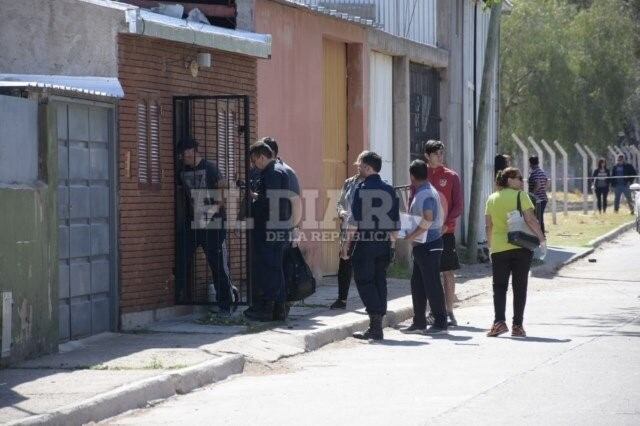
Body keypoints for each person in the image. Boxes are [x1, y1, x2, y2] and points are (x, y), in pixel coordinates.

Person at [341, 151, 400, 341]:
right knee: (379, 280)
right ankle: (376, 325)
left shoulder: (361, 189)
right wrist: (392, 246)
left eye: (360, 166)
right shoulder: (390, 190)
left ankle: (375, 324)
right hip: (383, 243)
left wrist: (345, 246)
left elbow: (354, 222)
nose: (357, 168)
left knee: (364, 281)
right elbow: (395, 224)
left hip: (365, 243)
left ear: (368, 168)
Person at [485, 167, 546, 338]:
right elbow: (531, 220)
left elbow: (488, 226)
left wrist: (490, 247)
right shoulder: (521, 196)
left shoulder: (491, 198)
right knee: (520, 287)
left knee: (499, 287)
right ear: (510, 180)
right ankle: (517, 326)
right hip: (521, 247)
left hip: (499, 248)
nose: (522, 181)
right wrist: (542, 239)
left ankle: (499, 323)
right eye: (519, 178)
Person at [177, 137, 234, 315]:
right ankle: (177, 296)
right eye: (180, 154)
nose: (182, 157)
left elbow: (223, 191)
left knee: (218, 265)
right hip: (194, 224)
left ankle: (226, 304)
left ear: (192, 151)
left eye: (184, 153)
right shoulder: (183, 171)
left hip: (214, 223)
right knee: (182, 257)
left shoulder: (210, 168)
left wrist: (213, 209)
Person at [244, 141, 293, 322]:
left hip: (269, 228)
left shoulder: (271, 173)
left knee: (269, 268)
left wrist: (255, 200)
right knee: (274, 268)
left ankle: (268, 309)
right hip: (277, 227)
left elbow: (271, 202)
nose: (253, 165)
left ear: (262, 157)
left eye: (254, 160)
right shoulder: (280, 171)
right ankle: (277, 310)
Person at [401, 160, 448, 335]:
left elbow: (428, 219)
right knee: (418, 284)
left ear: (412, 176)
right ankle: (419, 322)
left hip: (429, 244)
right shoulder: (425, 191)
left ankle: (440, 322)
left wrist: (410, 236)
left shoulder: (425, 194)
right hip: (424, 245)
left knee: (432, 284)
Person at [424, 140, 463, 327]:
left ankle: (449, 311)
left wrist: (447, 224)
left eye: (442, 153)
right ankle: (430, 310)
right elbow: (412, 199)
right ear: (427, 155)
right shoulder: (420, 175)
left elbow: (458, 206)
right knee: (427, 272)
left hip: (445, 232)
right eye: (436, 153)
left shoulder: (451, 176)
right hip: (425, 232)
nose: (440, 156)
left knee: (447, 271)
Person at [330, 152, 366, 310]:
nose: (360, 167)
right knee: (344, 263)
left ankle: (369, 302)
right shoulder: (349, 182)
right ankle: (342, 299)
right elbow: (340, 203)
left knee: (363, 266)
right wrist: (341, 212)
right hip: (347, 228)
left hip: (365, 231)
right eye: (359, 164)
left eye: (363, 165)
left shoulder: (372, 184)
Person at [527, 156, 548, 234]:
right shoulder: (542, 172)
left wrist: (532, 194)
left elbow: (538, 184)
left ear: (530, 163)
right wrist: (543, 190)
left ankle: (540, 235)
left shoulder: (534, 173)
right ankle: (541, 235)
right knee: (539, 217)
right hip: (543, 198)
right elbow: (546, 182)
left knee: (537, 218)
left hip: (537, 200)